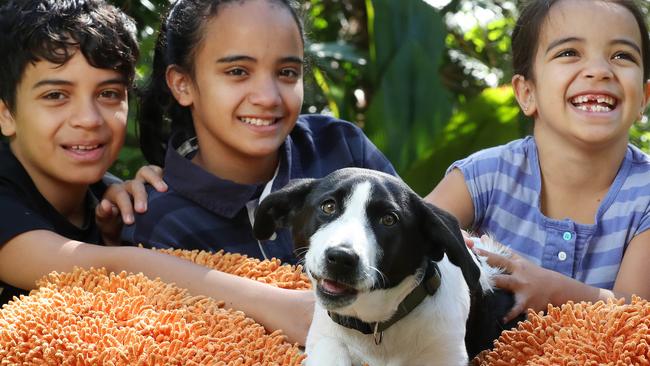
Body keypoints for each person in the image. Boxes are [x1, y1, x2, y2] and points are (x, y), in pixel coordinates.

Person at [0, 0, 311, 345]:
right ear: (6, 113)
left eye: (108, 93)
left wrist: (114, 205)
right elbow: (110, 269)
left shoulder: (107, 197)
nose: (87, 119)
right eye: (56, 95)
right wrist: (283, 307)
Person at [104, 0, 396, 263]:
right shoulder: (160, 221)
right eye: (238, 72)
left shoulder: (341, 147)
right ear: (183, 84)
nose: (268, 97)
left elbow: (418, 252)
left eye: (287, 73)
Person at [426, 0, 650, 324]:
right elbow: (407, 239)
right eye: (569, 53)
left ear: (642, 98)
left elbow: (637, 316)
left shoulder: (644, 194)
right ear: (526, 92)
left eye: (622, 55)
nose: (600, 70)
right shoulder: (484, 176)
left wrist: (554, 291)